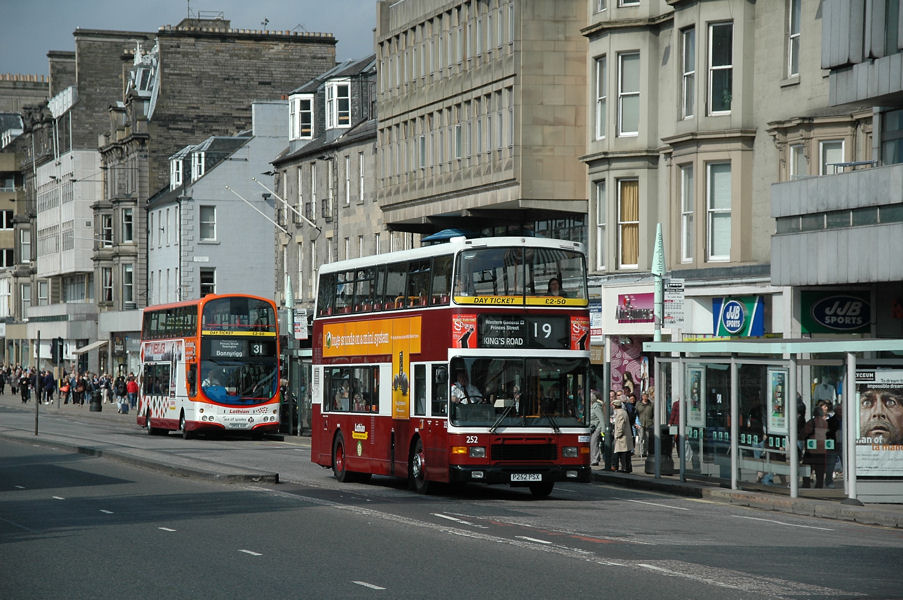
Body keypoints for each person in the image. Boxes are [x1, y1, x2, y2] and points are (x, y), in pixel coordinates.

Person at [801, 405, 828, 489]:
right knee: (820, 469)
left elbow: (805, 432)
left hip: (811, 449)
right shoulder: (825, 423)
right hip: (822, 449)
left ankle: (806, 484)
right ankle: (819, 485)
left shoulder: (811, 422)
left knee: (806, 466)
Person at [612, 398, 634, 472]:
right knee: (625, 453)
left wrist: (617, 435)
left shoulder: (620, 413)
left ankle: (624, 468)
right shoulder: (623, 412)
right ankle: (626, 467)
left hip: (622, 437)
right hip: (625, 437)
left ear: (615, 406)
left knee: (622, 453)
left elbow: (620, 426)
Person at [589, 390, 605, 466]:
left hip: (597, 428)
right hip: (592, 428)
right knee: (592, 443)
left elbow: (601, 418)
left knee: (594, 443)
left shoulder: (596, 406)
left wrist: (603, 431)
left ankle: (595, 459)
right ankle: (593, 458)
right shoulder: (591, 406)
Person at [636, 391, 654, 457]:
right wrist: (636, 423)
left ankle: (646, 452)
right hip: (640, 423)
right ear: (642, 396)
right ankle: (641, 452)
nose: (645, 397)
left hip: (649, 423)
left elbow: (653, 414)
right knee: (641, 438)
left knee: (647, 438)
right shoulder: (638, 404)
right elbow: (636, 413)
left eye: (646, 396)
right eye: (644, 396)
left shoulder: (651, 404)